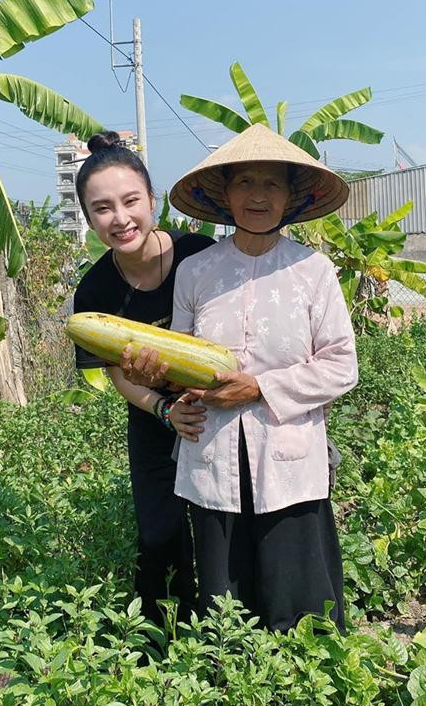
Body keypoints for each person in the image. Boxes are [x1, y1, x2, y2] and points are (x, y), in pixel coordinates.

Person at [167, 123, 358, 632]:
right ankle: (229, 675)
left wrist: (258, 387)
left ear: (291, 197)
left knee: (299, 605)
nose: (258, 195)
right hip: (213, 448)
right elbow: (179, 358)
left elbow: (342, 364)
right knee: (223, 606)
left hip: (289, 452)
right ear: (224, 194)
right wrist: (176, 394)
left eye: (272, 184)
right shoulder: (195, 272)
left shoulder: (314, 270)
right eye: (245, 182)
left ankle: (303, 674)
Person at [71, 131, 213, 627]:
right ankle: (164, 635)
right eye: (102, 208)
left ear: (152, 200)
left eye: (130, 201)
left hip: (219, 409)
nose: (120, 218)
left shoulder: (199, 254)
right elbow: (120, 377)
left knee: (219, 527)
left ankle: (229, 630)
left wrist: (201, 395)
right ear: (89, 218)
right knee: (159, 535)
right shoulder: (95, 291)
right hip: (154, 416)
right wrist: (165, 408)